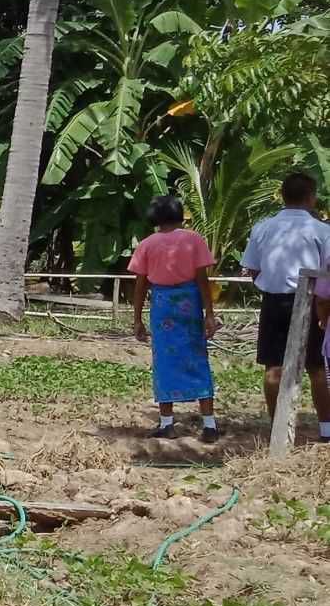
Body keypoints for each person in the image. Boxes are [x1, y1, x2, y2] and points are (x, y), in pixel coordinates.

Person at [240, 171, 330, 439]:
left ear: (282, 196)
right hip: (311, 300)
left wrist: (270, 283)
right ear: (311, 198)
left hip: (274, 301)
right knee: (317, 367)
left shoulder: (263, 228)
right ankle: (327, 429)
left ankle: (277, 428)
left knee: (273, 366)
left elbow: (253, 268)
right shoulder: (321, 230)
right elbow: (327, 271)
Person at [128, 195, 220, 442]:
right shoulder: (194, 240)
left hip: (162, 306)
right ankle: (209, 425)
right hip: (189, 305)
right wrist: (209, 314)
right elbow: (202, 280)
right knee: (198, 358)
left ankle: (167, 423)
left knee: (164, 361)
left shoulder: (146, 244)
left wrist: (137, 319)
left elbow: (140, 286)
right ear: (180, 214)